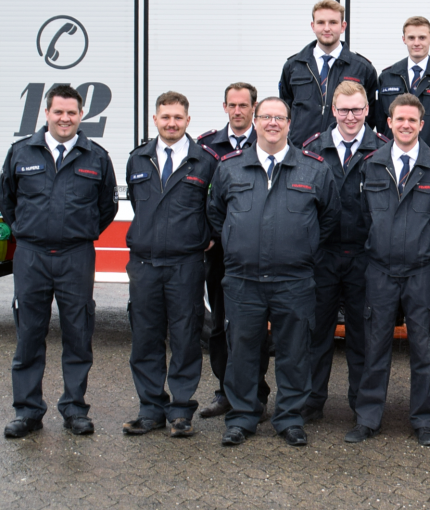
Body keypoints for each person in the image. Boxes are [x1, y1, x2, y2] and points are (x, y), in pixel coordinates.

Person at [206, 97, 339, 447]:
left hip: (293, 280)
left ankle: (290, 418)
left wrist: (301, 247)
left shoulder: (314, 169)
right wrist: (239, 243)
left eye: (279, 117)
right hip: (242, 280)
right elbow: (217, 214)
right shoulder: (230, 167)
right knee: (243, 353)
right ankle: (241, 417)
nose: (272, 123)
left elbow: (328, 219)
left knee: (295, 354)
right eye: (266, 116)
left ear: (290, 123)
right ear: (255, 120)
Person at [0, 84, 119, 438]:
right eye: (58, 112)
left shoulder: (96, 157)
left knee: (78, 334)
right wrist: (24, 229)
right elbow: (7, 198)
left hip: (75, 257)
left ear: (81, 115)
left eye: (71, 112)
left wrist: (79, 232)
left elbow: (106, 208)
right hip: (32, 256)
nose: (65, 118)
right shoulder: (21, 153)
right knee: (29, 335)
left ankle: (74, 409)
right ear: (47, 113)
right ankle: (28, 411)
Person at [349, 94, 430, 446]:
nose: (406, 125)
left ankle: (424, 420)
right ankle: (367, 419)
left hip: (422, 272)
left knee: (424, 349)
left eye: (413, 120)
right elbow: (365, 216)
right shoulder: (372, 165)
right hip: (379, 270)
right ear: (389, 123)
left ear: (422, 125)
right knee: (374, 347)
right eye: (400, 119)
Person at [122, 91, 218, 438]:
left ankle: (181, 411)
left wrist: (203, 235)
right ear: (155, 120)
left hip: (186, 265)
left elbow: (216, 208)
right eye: (165, 117)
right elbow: (137, 205)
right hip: (145, 264)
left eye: (178, 117)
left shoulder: (204, 162)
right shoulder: (137, 160)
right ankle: (150, 410)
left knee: (185, 338)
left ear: (188, 121)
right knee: (145, 338)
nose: (172, 123)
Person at [300, 81, 386, 423]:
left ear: (367, 111)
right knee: (315, 334)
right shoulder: (310, 149)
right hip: (321, 256)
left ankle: (361, 407)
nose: (350, 116)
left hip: (365, 258)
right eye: (344, 110)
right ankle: (310, 402)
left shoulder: (383, 150)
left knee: (362, 337)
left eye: (357, 109)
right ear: (333, 111)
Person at [196, 82, 268, 421]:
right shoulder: (208, 146)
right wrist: (210, 235)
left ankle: (257, 391)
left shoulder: (269, 140)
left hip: (259, 253)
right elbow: (200, 198)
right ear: (224, 107)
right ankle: (225, 391)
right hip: (221, 254)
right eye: (232, 105)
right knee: (222, 326)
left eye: (244, 105)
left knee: (257, 326)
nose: (238, 111)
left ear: (254, 108)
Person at [279, 0, 379, 147]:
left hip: (345, 152)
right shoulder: (293, 66)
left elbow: (370, 114)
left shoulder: (362, 68)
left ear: (343, 26)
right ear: (313, 26)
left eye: (333, 22)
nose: (326, 28)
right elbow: (285, 109)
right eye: (321, 23)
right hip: (301, 151)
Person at [373, 16, 430, 148]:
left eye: (422, 38)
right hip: (393, 154)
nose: (416, 43)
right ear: (404, 39)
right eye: (411, 38)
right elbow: (379, 120)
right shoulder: (388, 76)